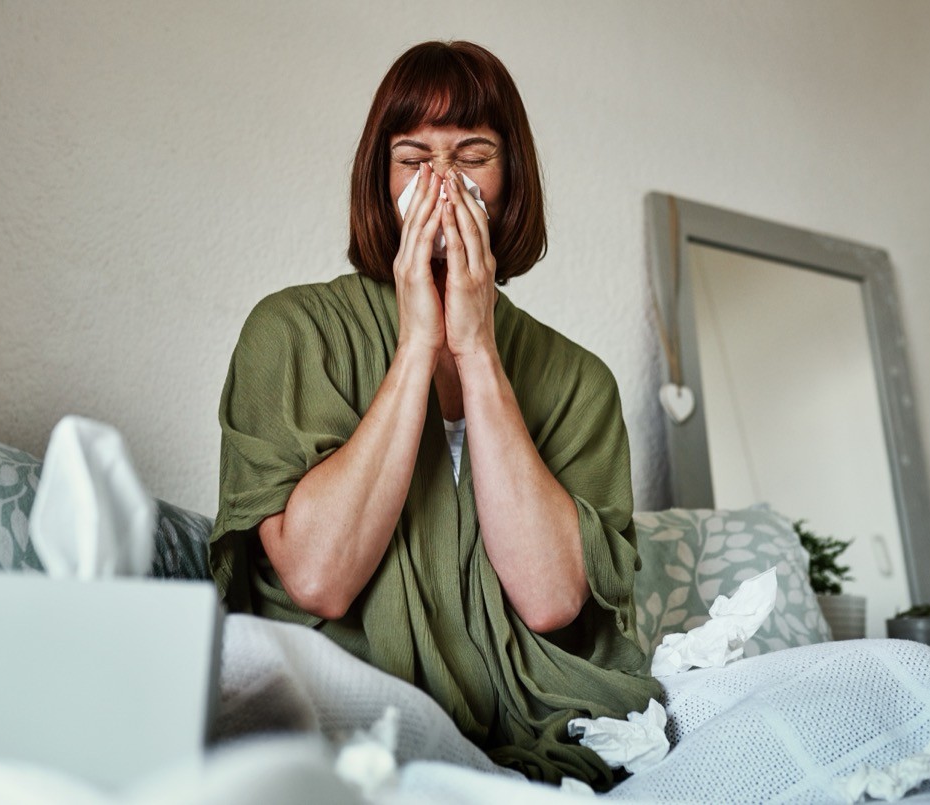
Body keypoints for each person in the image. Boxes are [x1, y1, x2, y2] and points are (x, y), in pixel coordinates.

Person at [209, 40, 661, 790]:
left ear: (510, 178)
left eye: (473, 154)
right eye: (414, 158)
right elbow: (319, 577)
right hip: (351, 701)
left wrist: (477, 349)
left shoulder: (580, 381)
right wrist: (418, 343)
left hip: (535, 714)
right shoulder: (291, 331)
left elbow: (551, 599)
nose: (443, 183)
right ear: (379, 179)